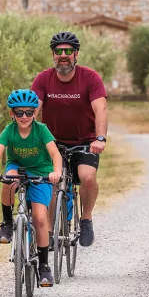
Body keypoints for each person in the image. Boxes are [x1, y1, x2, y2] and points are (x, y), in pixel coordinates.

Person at [30, 31, 108, 247]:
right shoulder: (43, 78)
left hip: (85, 141)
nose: (63, 55)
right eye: (58, 51)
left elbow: (100, 107)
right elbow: (33, 108)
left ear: (76, 54)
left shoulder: (90, 78)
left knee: (88, 177)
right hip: (53, 143)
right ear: (53, 55)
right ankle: (50, 232)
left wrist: (100, 138)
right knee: (53, 183)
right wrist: (28, 134)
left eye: (68, 51)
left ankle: (86, 219)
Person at [0, 89, 62, 287]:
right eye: (19, 113)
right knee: (9, 179)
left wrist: (56, 172)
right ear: (12, 114)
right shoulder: (9, 131)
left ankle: (44, 266)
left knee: (39, 218)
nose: (24, 117)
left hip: (42, 172)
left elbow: (55, 154)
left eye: (29, 112)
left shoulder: (41, 130)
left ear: (35, 113)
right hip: (18, 168)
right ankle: (6, 223)